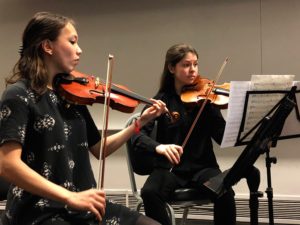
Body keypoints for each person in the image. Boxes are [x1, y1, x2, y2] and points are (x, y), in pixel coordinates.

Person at [0, 12, 167, 225]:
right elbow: (7, 165)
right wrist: (69, 197)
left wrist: (139, 124)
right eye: (72, 42)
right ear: (48, 46)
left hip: (84, 204)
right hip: (40, 210)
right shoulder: (18, 94)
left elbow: (100, 149)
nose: (79, 50)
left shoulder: (71, 95)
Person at [131, 43, 236, 225]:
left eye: (195, 64)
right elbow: (137, 136)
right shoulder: (161, 101)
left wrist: (236, 122)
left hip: (203, 167)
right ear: (172, 68)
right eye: (186, 65)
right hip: (170, 169)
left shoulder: (206, 97)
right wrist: (159, 147)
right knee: (150, 192)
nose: (193, 70)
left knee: (225, 191)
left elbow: (220, 136)